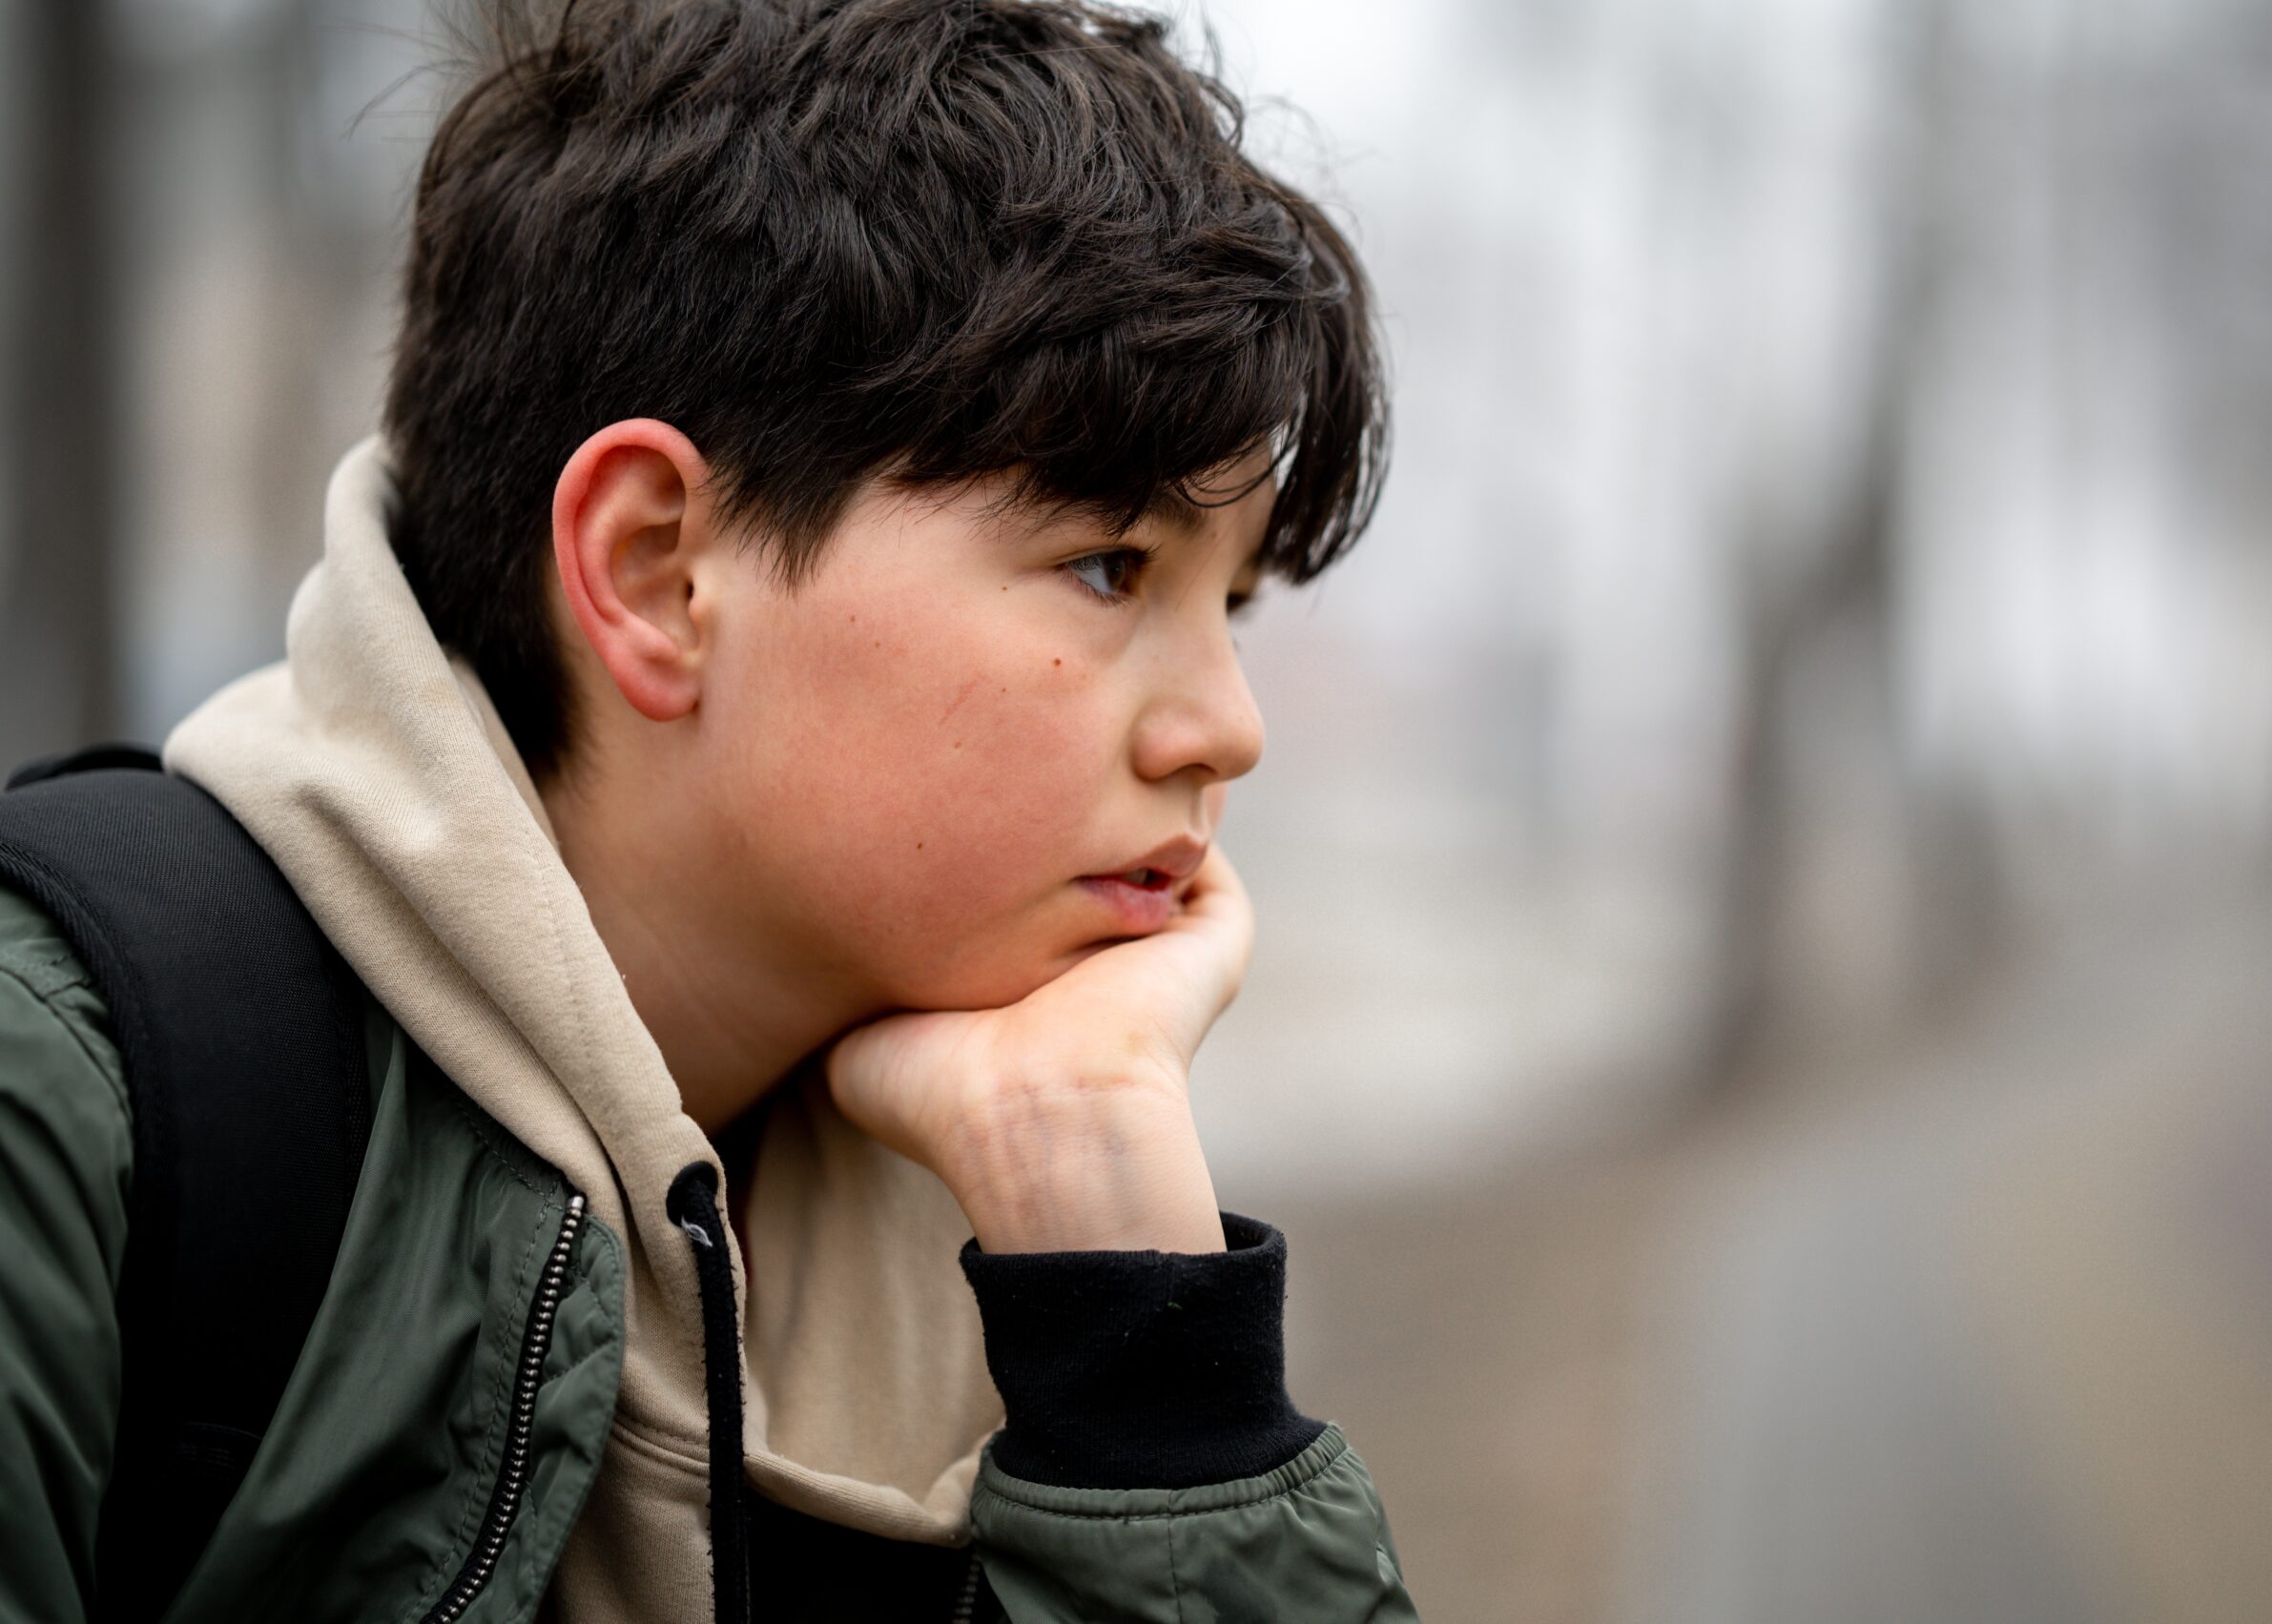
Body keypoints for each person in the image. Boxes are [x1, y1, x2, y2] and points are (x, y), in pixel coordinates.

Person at [0, 1, 1413, 1619]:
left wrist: (1142, 1342)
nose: (1224, 730)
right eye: (1108, 567)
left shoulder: (1012, 1205)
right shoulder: (68, 1101)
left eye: (1233, 602)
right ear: (658, 571)